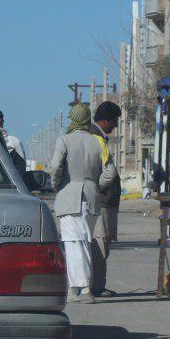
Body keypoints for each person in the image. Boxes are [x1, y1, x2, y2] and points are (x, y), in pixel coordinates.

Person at [49, 103, 117, 304]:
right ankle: (85, 286)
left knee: (72, 242)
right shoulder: (98, 142)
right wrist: (96, 184)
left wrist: (57, 185)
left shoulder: (64, 140)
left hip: (70, 196)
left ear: (72, 119)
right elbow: (111, 171)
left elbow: (55, 167)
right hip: (92, 196)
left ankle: (78, 289)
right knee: (85, 240)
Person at [90, 101, 122, 297]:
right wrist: (95, 188)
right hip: (101, 201)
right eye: (114, 121)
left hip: (104, 201)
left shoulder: (97, 137)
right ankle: (96, 286)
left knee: (101, 244)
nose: (116, 125)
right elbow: (106, 173)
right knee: (99, 245)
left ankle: (96, 284)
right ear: (105, 120)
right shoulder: (97, 140)